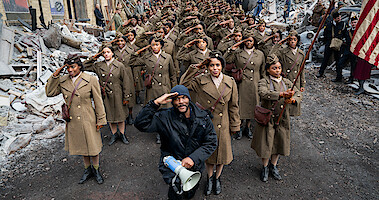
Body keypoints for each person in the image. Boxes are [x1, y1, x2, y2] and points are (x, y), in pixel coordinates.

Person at [134, 85, 217, 200]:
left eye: (184, 98)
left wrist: (193, 158)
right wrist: (155, 103)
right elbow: (140, 124)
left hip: (194, 167)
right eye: (177, 99)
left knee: (190, 193)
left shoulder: (203, 117)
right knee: (175, 193)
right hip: (172, 167)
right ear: (172, 101)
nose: (181, 102)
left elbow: (211, 142)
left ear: (189, 98)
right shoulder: (164, 117)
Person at [180, 51, 240, 195]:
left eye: (217, 65)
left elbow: (233, 105)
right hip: (206, 123)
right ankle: (210, 177)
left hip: (223, 123)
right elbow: (183, 85)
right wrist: (196, 68)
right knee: (209, 155)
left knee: (222, 155)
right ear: (207, 67)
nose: (214, 68)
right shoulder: (201, 80)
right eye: (211, 65)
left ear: (222, 66)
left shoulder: (230, 81)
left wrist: (235, 124)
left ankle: (217, 178)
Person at [46, 55, 107, 184]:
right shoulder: (63, 80)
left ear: (79, 66)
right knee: (82, 146)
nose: (70, 70)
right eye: (67, 67)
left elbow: (98, 101)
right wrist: (55, 75)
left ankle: (96, 169)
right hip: (73, 120)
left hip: (88, 117)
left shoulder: (90, 79)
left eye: (72, 67)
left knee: (93, 146)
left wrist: (101, 119)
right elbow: (49, 92)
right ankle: (87, 169)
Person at [251, 55, 302, 182]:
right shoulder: (264, 81)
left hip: (283, 118)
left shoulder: (286, 82)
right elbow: (263, 93)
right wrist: (280, 94)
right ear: (268, 70)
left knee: (279, 142)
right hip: (269, 118)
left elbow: (298, 93)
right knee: (266, 143)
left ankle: (273, 166)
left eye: (279, 68)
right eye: (274, 68)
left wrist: (293, 99)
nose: (277, 70)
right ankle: (264, 167)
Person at [130, 35, 178, 144]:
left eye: (157, 44)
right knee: (157, 112)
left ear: (161, 45)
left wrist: (174, 89)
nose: (155, 47)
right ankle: (159, 133)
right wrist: (138, 52)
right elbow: (132, 62)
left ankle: (168, 132)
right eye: (153, 45)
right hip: (152, 89)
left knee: (167, 111)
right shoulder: (146, 57)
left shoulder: (168, 57)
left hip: (165, 88)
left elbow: (172, 74)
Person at [83, 45, 134, 145]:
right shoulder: (98, 65)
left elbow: (126, 82)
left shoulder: (119, 65)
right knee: (110, 115)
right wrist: (94, 57)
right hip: (105, 94)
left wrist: (126, 96)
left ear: (112, 53)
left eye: (108, 52)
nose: (106, 54)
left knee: (120, 115)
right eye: (104, 52)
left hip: (118, 93)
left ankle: (122, 134)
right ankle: (114, 134)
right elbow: (84, 65)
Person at [224, 33, 266, 139]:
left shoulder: (260, 54)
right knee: (239, 106)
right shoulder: (238, 52)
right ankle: (238, 127)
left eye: (251, 41)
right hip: (241, 83)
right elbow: (226, 60)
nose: (249, 43)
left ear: (254, 42)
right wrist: (231, 49)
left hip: (254, 83)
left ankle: (248, 127)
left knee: (252, 106)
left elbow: (263, 70)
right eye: (246, 41)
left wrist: (263, 83)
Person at [275, 30, 305, 116]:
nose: (292, 41)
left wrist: (302, 84)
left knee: (294, 99)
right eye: (290, 39)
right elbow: (273, 55)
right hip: (286, 79)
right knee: (284, 102)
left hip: (296, 81)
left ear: (297, 40)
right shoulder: (283, 52)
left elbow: (301, 70)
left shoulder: (301, 54)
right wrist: (280, 43)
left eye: (294, 39)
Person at [317, 12, 346, 78]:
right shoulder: (329, 25)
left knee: (338, 60)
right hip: (329, 44)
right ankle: (320, 72)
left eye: (340, 17)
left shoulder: (343, 24)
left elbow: (344, 34)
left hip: (338, 45)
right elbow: (325, 34)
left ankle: (339, 76)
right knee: (325, 59)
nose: (339, 19)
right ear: (334, 18)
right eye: (338, 18)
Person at [334, 16, 358, 83]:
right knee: (339, 63)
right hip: (347, 50)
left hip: (355, 51)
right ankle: (339, 77)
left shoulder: (359, 32)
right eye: (352, 22)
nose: (353, 24)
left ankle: (351, 79)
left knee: (353, 66)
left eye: (355, 22)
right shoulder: (348, 31)